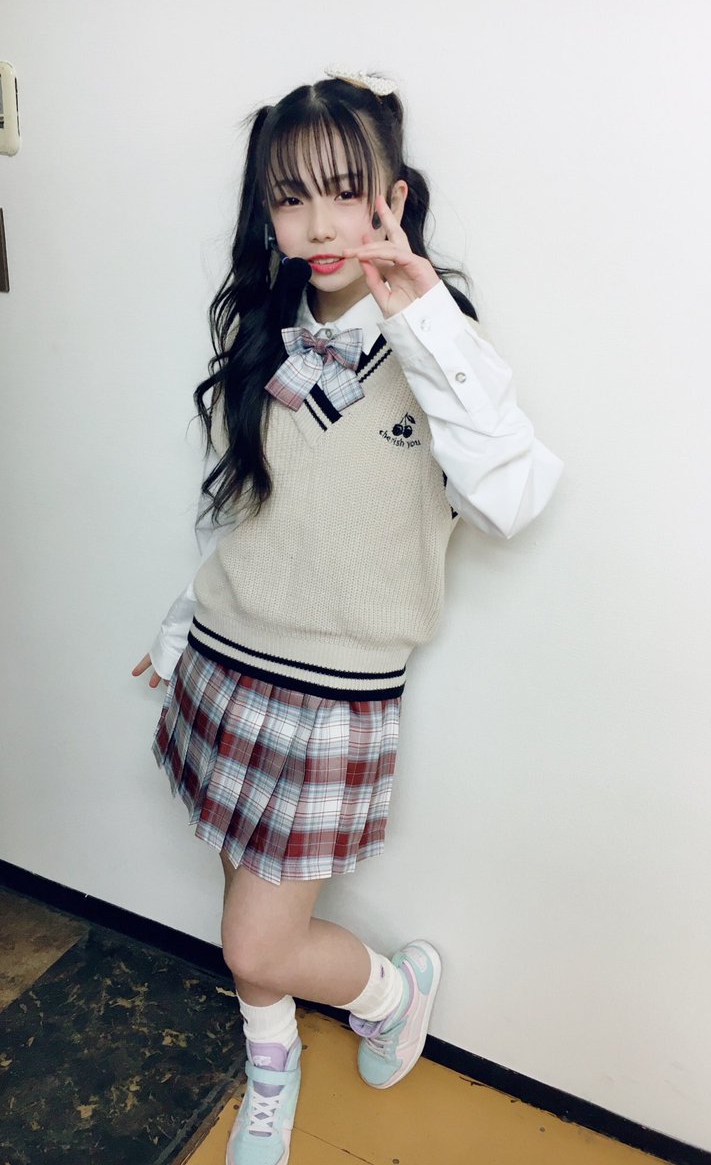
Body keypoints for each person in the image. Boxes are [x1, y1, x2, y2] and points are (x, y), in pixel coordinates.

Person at [132, 66, 562, 1165]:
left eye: (343, 190)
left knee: (256, 944)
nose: (318, 225)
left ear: (392, 197)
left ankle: (387, 992)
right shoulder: (268, 326)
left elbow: (512, 497)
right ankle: (271, 1062)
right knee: (240, 904)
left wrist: (421, 320)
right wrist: (183, 624)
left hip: (330, 697)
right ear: (266, 212)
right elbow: (251, 512)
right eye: (290, 198)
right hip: (226, 660)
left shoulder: (438, 339)